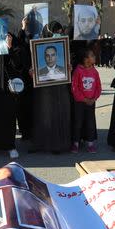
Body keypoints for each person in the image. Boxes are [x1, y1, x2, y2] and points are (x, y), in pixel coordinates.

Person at [30, 21, 72, 153]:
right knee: (44, 115)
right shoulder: (37, 47)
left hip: (60, 87)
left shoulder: (64, 47)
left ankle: (58, 145)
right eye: (54, 31)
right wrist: (31, 71)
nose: (56, 34)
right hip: (43, 89)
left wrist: (69, 68)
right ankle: (41, 143)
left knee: (59, 114)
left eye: (58, 31)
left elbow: (69, 61)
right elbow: (29, 64)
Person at [71, 48, 101, 153]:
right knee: (78, 122)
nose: (94, 57)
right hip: (80, 102)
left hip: (91, 102)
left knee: (90, 123)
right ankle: (75, 143)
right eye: (92, 55)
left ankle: (90, 143)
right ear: (85, 59)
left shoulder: (95, 71)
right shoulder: (78, 71)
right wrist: (83, 99)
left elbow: (98, 87)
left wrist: (94, 98)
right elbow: (75, 87)